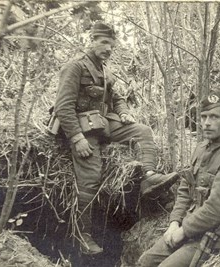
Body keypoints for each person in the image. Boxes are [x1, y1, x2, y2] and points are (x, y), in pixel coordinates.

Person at [53, 22, 179, 255]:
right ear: (91, 41)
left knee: (142, 131)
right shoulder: (75, 67)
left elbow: (117, 97)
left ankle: (149, 177)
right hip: (83, 128)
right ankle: (83, 234)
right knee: (91, 177)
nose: (108, 48)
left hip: (104, 123)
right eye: (103, 42)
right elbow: (63, 106)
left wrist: (123, 112)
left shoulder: (104, 70)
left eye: (111, 44)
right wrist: (77, 138)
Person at [138, 90, 220, 267]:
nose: (206, 123)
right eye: (204, 117)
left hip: (218, 236)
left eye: (214, 117)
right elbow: (185, 189)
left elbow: (218, 208)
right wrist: (174, 223)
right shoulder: (201, 148)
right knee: (145, 261)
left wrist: (184, 231)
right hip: (190, 228)